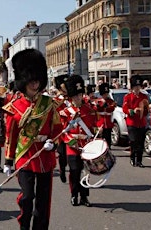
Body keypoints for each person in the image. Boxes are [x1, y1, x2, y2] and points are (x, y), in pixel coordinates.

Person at [2, 49, 63, 230]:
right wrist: (8, 160)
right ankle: (24, 225)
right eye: (31, 80)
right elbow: (11, 136)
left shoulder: (49, 104)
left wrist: (54, 143)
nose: (35, 84)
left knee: (43, 202)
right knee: (27, 197)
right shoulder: (14, 107)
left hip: (45, 155)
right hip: (25, 155)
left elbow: (58, 129)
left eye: (37, 80)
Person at [59, 75, 96, 207]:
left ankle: (84, 196)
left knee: (86, 173)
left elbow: (94, 127)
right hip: (72, 146)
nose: (78, 98)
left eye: (79, 95)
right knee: (74, 172)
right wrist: (71, 140)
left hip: (86, 146)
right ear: (71, 97)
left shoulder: (90, 110)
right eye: (75, 96)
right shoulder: (65, 112)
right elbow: (63, 132)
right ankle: (74, 194)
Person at [123, 75, 149, 167]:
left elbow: (146, 110)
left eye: (138, 87)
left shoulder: (144, 96)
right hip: (132, 122)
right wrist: (132, 111)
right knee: (133, 141)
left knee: (141, 142)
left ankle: (139, 160)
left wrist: (144, 110)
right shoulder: (128, 97)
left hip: (141, 122)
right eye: (135, 87)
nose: (137, 88)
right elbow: (125, 108)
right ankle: (132, 157)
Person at [53, 74, 70, 183]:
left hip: (72, 131)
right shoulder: (56, 100)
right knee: (62, 154)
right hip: (61, 132)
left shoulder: (73, 98)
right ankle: (62, 169)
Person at [96, 83, 116, 149]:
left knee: (108, 138)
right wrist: (102, 106)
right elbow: (97, 109)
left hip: (108, 123)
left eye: (106, 94)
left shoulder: (110, 101)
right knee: (100, 139)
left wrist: (106, 107)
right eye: (104, 94)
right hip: (100, 123)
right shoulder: (98, 101)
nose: (105, 95)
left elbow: (112, 108)